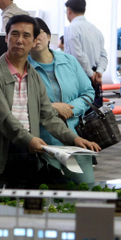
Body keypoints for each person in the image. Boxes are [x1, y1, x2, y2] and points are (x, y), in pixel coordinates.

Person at [0, 14, 100, 188]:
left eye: (26, 36)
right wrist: (29, 140)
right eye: (15, 34)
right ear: (6, 37)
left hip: (27, 155)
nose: (19, 40)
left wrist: (74, 139)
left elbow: (47, 116)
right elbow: (3, 118)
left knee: (28, 210)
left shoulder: (33, 75)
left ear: (34, 41)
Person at [28, 18, 95, 185]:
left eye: (39, 34)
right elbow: (19, 104)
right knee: (52, 193)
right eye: (31, 35)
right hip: (44, 142)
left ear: (49, 36)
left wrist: (71, 109)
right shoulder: (23, 68)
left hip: (76, 137)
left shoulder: (69, 61)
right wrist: (51, 108)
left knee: (86, 189)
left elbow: (88, 92)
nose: (36, 39)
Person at [64, 0, 107, 107]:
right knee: (95, 114)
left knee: (80, 112)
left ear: (69, 10)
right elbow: (104, 55)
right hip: (95, 76)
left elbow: (77, 56)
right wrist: (99, 72)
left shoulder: (72, 28)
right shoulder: (95, 29)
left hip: (79, 77)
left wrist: (91, 74)